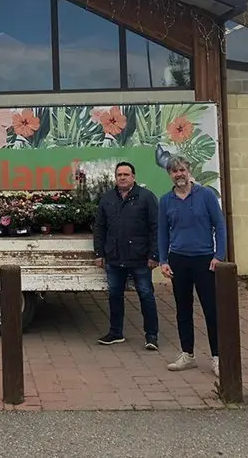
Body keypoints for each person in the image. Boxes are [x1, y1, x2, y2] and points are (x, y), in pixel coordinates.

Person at [157, 155, 227, 377]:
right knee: (183, 309)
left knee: (211, 309)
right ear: (170, 175)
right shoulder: (166, 201)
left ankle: (218, 356)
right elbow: (161, 232)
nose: (179, 174)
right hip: (178, 259)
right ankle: (187, 354)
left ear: (189, 171)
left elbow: (220, 226)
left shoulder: (205, 195)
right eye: (174, 171)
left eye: (182, 170)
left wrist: (219, 255)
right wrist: (163, 260)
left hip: (204, 260)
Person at [93, 161, 160, 349]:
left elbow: (156, 227)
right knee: (114, 295)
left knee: (146, 295)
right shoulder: (107, 198)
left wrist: (155, 255)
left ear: (134, 177)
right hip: (114, 258)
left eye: (126, 174)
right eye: (119, 175)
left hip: (140, 257)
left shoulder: (146, 197)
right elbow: (99, 227)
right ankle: (115, 333)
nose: (122, 177)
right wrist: (99, 252)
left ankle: (151, 336)